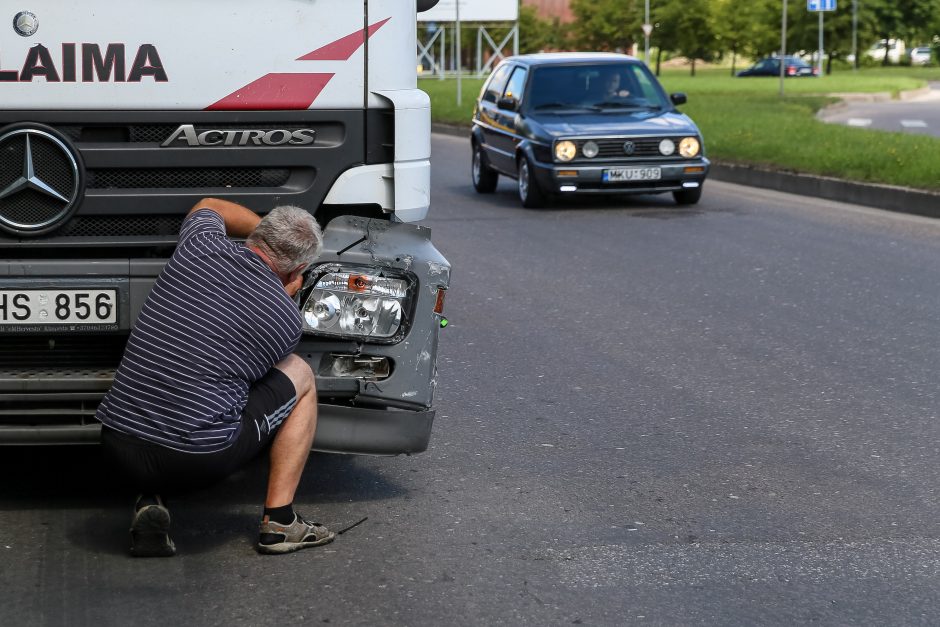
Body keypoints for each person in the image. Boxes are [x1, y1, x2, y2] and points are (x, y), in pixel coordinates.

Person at [97, 197, 332, 557]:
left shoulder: (199, 244)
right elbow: (248, 376)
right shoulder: (285, 321)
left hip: (116, 443)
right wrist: (281, 294)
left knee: (175, 385)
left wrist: (264, 231)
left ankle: (150, 498)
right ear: (297, 271)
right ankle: (280, 523)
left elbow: (210, 204)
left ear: (259, 234)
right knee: (299, 374)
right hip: (196, 459)